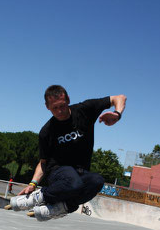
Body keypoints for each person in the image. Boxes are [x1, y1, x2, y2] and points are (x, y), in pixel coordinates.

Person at [8, 85, 126, 221]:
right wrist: (32, 184)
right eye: (54, 108)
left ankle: (63, 207)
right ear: (47, 107)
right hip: (57, 172)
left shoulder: (85, 110)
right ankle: (40, 196)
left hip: (80, 172)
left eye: (62, 106)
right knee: (72, 180)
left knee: (96, 181)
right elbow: (43, 162)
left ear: (68, 100)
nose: (59, 111)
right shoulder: (46, 132)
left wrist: (117, 114)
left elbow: (120, 98)